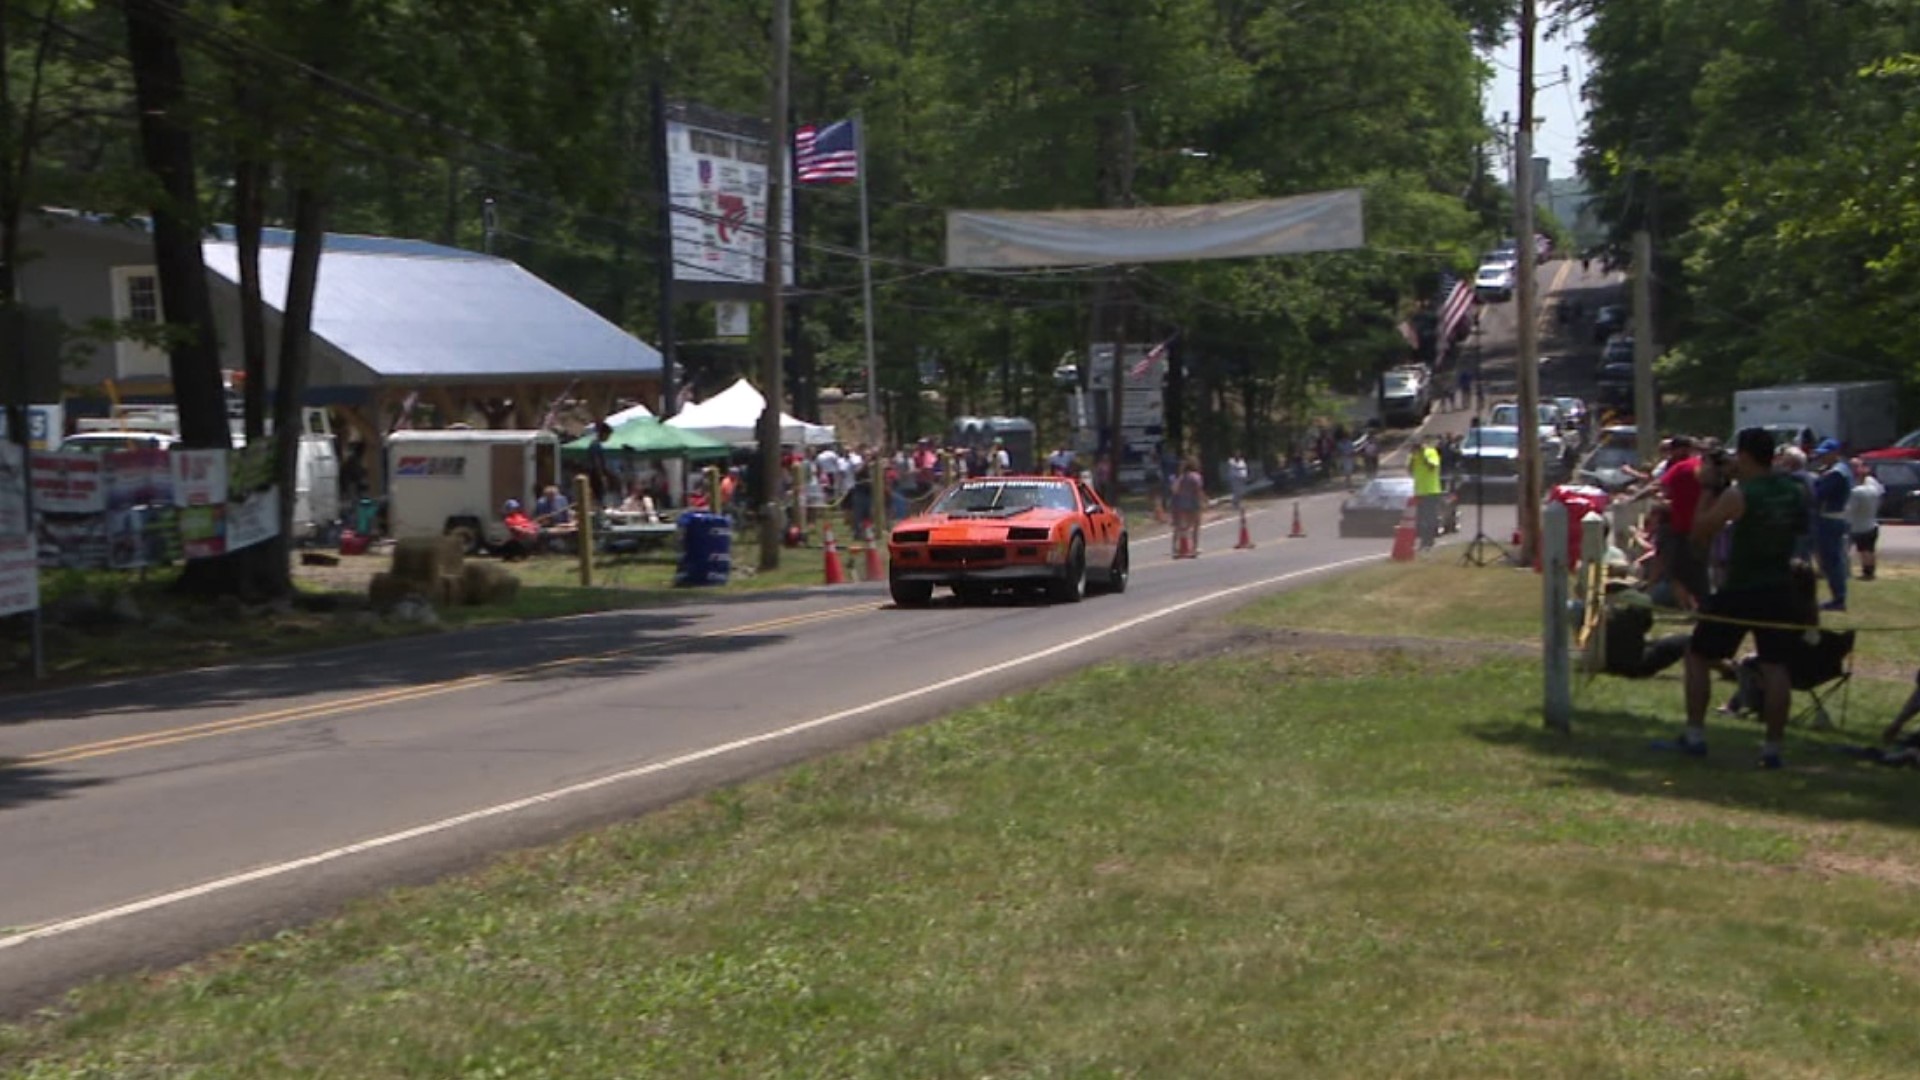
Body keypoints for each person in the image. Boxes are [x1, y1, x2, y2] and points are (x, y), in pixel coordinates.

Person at [1655, 427, 1809, 769]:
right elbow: (1799, 529)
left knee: (1697, 656)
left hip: (1740, 587)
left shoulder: (1739, 494)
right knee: (1775, 666)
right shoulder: (1794, 489)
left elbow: (1699, 534)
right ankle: (1772, 748)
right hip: (1780, 586)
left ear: (1745, 455)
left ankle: (1694, 736)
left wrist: (1709, 487)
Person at [1809, 438, 1853, 610]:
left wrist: (1816, 481)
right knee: (1832, 560)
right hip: (1835, 518)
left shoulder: (1835, 473)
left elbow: (1819, 495)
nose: (1822, 458)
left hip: (1829, 519)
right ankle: (1838, 597)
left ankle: (1838, 599)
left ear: (1835, 453)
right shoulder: (1841, 470)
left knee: (1832, 561)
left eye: (1825, 454)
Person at [1848, 459, 1884, 581]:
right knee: (1869, 549)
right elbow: (1880, 496)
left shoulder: (1856, 491)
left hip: (1859, 524)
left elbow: (1851, 508)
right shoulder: (1873, 486)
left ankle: (1866, 572)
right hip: (1872, 522)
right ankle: (1870, 571)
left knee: (1863, 550)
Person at [1408, 435, 1442, 551]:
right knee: (1421, 518)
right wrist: (1413, 457)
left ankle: (1429, 541)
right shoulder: (1414, 455)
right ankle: (1424, 541)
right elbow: (1410, 470)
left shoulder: (1431, 452)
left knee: (1430, 517)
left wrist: (1423, 455)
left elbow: (1432, 466)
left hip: (1432, 490)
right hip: (1420, 491)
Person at [1170, 457, 1204, 557]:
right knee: (1196, 526)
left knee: (1183, 526)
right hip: (1194, 503)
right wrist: (1202, 501)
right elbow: (1198, 490)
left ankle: (1178, 546)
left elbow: (1175, 490)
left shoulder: (1181, 477)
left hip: (1182, 503)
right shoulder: (1196, 476)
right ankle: (1194, 547)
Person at [585, 422, 616, 509]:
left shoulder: (597, 445)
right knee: (598, 497)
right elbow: (596, 462)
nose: (608, 438)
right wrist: (602, 476)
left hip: (597, 474)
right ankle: (599, 515)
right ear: (603, 434)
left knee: (600, 497)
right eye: (607, 435)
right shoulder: (595, 445)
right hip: (595, 475)